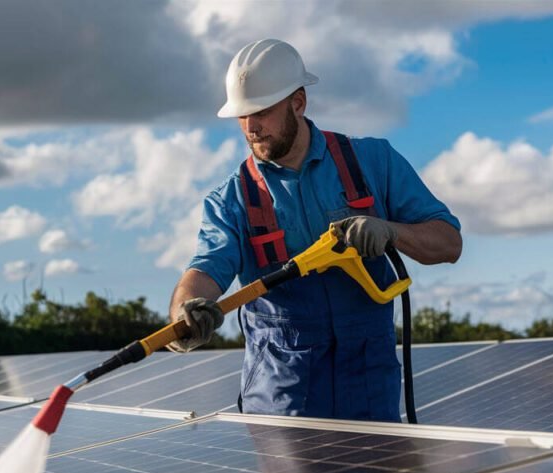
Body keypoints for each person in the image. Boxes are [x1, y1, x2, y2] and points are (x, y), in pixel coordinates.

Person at [168, 39, 462, 422]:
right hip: (282, 399)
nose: (251, 128)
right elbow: (206, 270)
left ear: (298, 102)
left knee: (380, 467)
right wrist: (186, 310)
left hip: (369, 391)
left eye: (262, 112)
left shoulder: (374, 162)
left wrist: (391, 232)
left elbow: (448, 242)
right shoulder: (231, 200)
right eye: (242, 116)